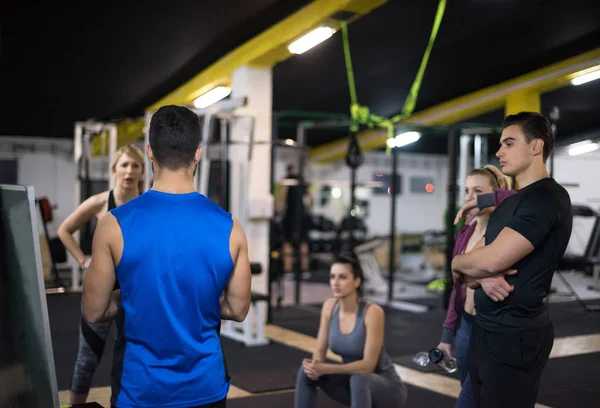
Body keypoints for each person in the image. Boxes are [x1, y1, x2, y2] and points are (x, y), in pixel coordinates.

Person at [81, 105, 252, 408]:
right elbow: (238, 309)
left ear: (148, 152)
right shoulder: (231, 227)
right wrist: (194, 301)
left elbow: (94, 311)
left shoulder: (113, 224)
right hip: (205, 388)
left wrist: (131, 297)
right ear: (197, 153)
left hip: (141, 390)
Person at [451, 112, 573, 408]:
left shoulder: (547, 198)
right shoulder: (517, 200)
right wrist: (473, 271)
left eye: (509, 143)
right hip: (486, 329)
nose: (499, 151)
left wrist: (460, 263)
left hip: (514, 336)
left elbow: (489, 260)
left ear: (535, 147)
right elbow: (470, 271)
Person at [57, 144, 145, 404]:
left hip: (134, 289)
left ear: (143, 172)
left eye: (136, 165)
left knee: (131, 355)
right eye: (125, 165)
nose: (129, 171)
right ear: (114, 170)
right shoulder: (100, 202)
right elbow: (64, 230)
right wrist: (83, 260)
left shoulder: (148, 205)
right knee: (87, 359)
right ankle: (76, 405)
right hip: (102, 288)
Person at [437, 165, 516, 408]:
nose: (470, 198)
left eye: (478, 191)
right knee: (471, 394)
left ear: (494, 194)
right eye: (467, 191)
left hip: (490, 327)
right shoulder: (466, 232)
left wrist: (489, 200)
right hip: (466, 326)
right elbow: (457, 286)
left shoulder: (505, 232)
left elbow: (520, 198)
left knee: (469, 399)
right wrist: (446, 335)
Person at [295, 253, 407, 408]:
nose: (335, 282)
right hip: (352, 382)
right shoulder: (329, 306)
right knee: (305, 371)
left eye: (342, 277)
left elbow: (368, 365)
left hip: (386, 390)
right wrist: (314, 366)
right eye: (332, 277)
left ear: (356, 281)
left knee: (359, 377)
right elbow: (319, 352)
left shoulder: (372, 312)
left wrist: (329, 368)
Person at [276, 165, 313, 275]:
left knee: (288, 244)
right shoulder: (302, 180)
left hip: (290, 215)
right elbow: (311, 198)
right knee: (303, 243)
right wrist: (309, 211)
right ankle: (304, 270)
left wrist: (278, 209)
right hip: (301, 215)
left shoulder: (287, 180)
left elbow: (282, 197)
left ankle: (288, 271)